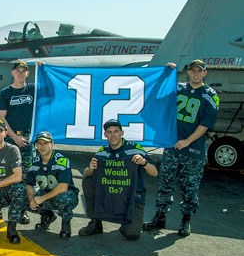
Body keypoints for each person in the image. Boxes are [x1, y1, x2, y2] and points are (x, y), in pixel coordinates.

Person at [144, 59, 220, 236]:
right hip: (172, 147)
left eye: (199, 71)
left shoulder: (210, 95)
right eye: (192, 70)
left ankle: (186, 221)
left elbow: (205, 124)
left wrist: (187, 141)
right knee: (165, 184)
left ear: (205, 73)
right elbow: (155, 96)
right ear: (187, 72)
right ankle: (160, 217)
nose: (195, 73)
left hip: (192, 151)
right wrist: (165, 74)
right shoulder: (177, 88)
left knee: (189, 188)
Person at [79, 119, 158, 240]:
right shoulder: (102, 152)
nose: (113, 135)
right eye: (109, 132)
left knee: (132, 234)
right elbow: (86, 173)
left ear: (122, 132)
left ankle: (127, 222)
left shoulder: (136, 149)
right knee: (88, 180)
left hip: (131, 198)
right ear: (105, 135)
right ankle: (95, 221)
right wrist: (90, 168)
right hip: (110, 195)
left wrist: (144, 162)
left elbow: (154, 173)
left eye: (116, 131)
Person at [0, 60, 36, 225]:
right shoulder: (5, 93)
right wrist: (14, 137)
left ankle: (21, 211)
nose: (20, 73)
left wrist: (44, 68)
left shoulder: (33, 89)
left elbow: (52, 91)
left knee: (25, 176)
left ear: (28, 73)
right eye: (17, 70)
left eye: (24, 71)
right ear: (12, 72)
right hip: (11, 138)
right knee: (3, 174)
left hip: (28, 139)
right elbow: (1, 117)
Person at [25, 131, 79, 239]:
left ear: (52, 144)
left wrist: (41, 199)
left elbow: (63, 187)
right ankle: (47, 216)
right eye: (39, 143)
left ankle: (65, 225)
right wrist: (32, 199)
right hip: (46, 193)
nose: (42, 146)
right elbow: (29, 185)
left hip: (65, 194)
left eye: (46, 143)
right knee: (22, 194)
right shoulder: (33, 163)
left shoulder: (62, 161)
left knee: (63, 198)